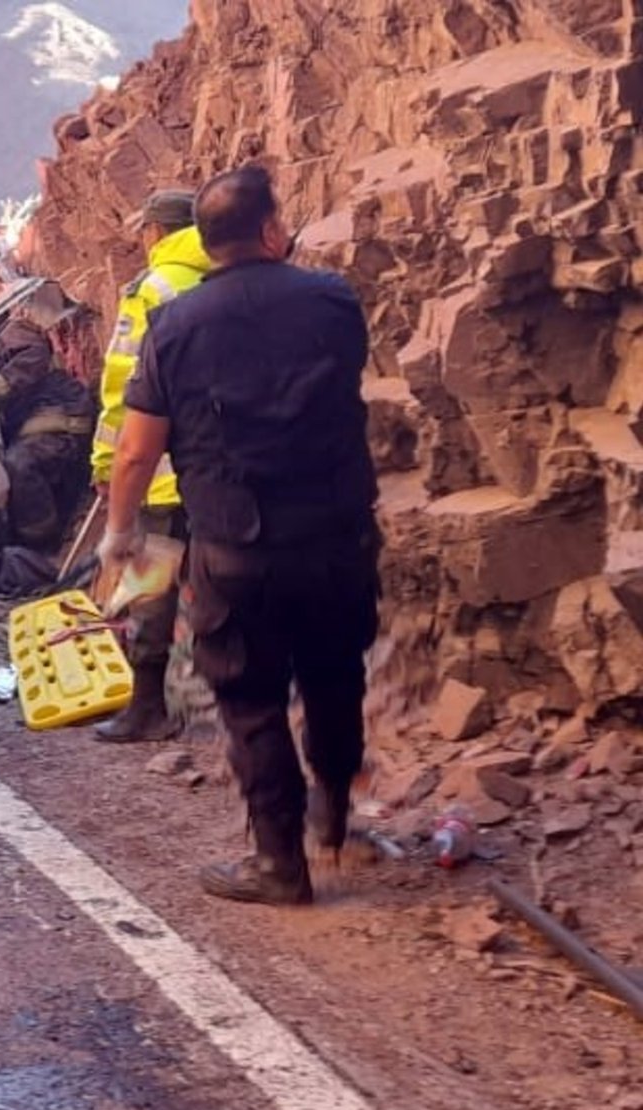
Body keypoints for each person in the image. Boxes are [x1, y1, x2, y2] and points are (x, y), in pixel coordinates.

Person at [104, 165, 380, 906]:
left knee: (251, 699)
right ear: (270, 230)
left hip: (236, 547)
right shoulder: (332, 300)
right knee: (333, 674)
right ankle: (334, 811)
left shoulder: (175, 326)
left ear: (206, 239)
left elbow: (137, 450)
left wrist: (121, 532)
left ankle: (279, 862)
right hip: (336, 538)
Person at [91, 189, 212, 744]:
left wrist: (108, 463)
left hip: (161, 469)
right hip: (225, 469)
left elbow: (125, 389)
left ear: (155, 233)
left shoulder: (152, 288)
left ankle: (147, 707)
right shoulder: (230, 278)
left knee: (150, 585)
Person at [0, 298, 95, 550]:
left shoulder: (7, 334)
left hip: (62, 414)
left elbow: (36, 355)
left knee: (18, 463)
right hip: (39, 416)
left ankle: (43, 542)